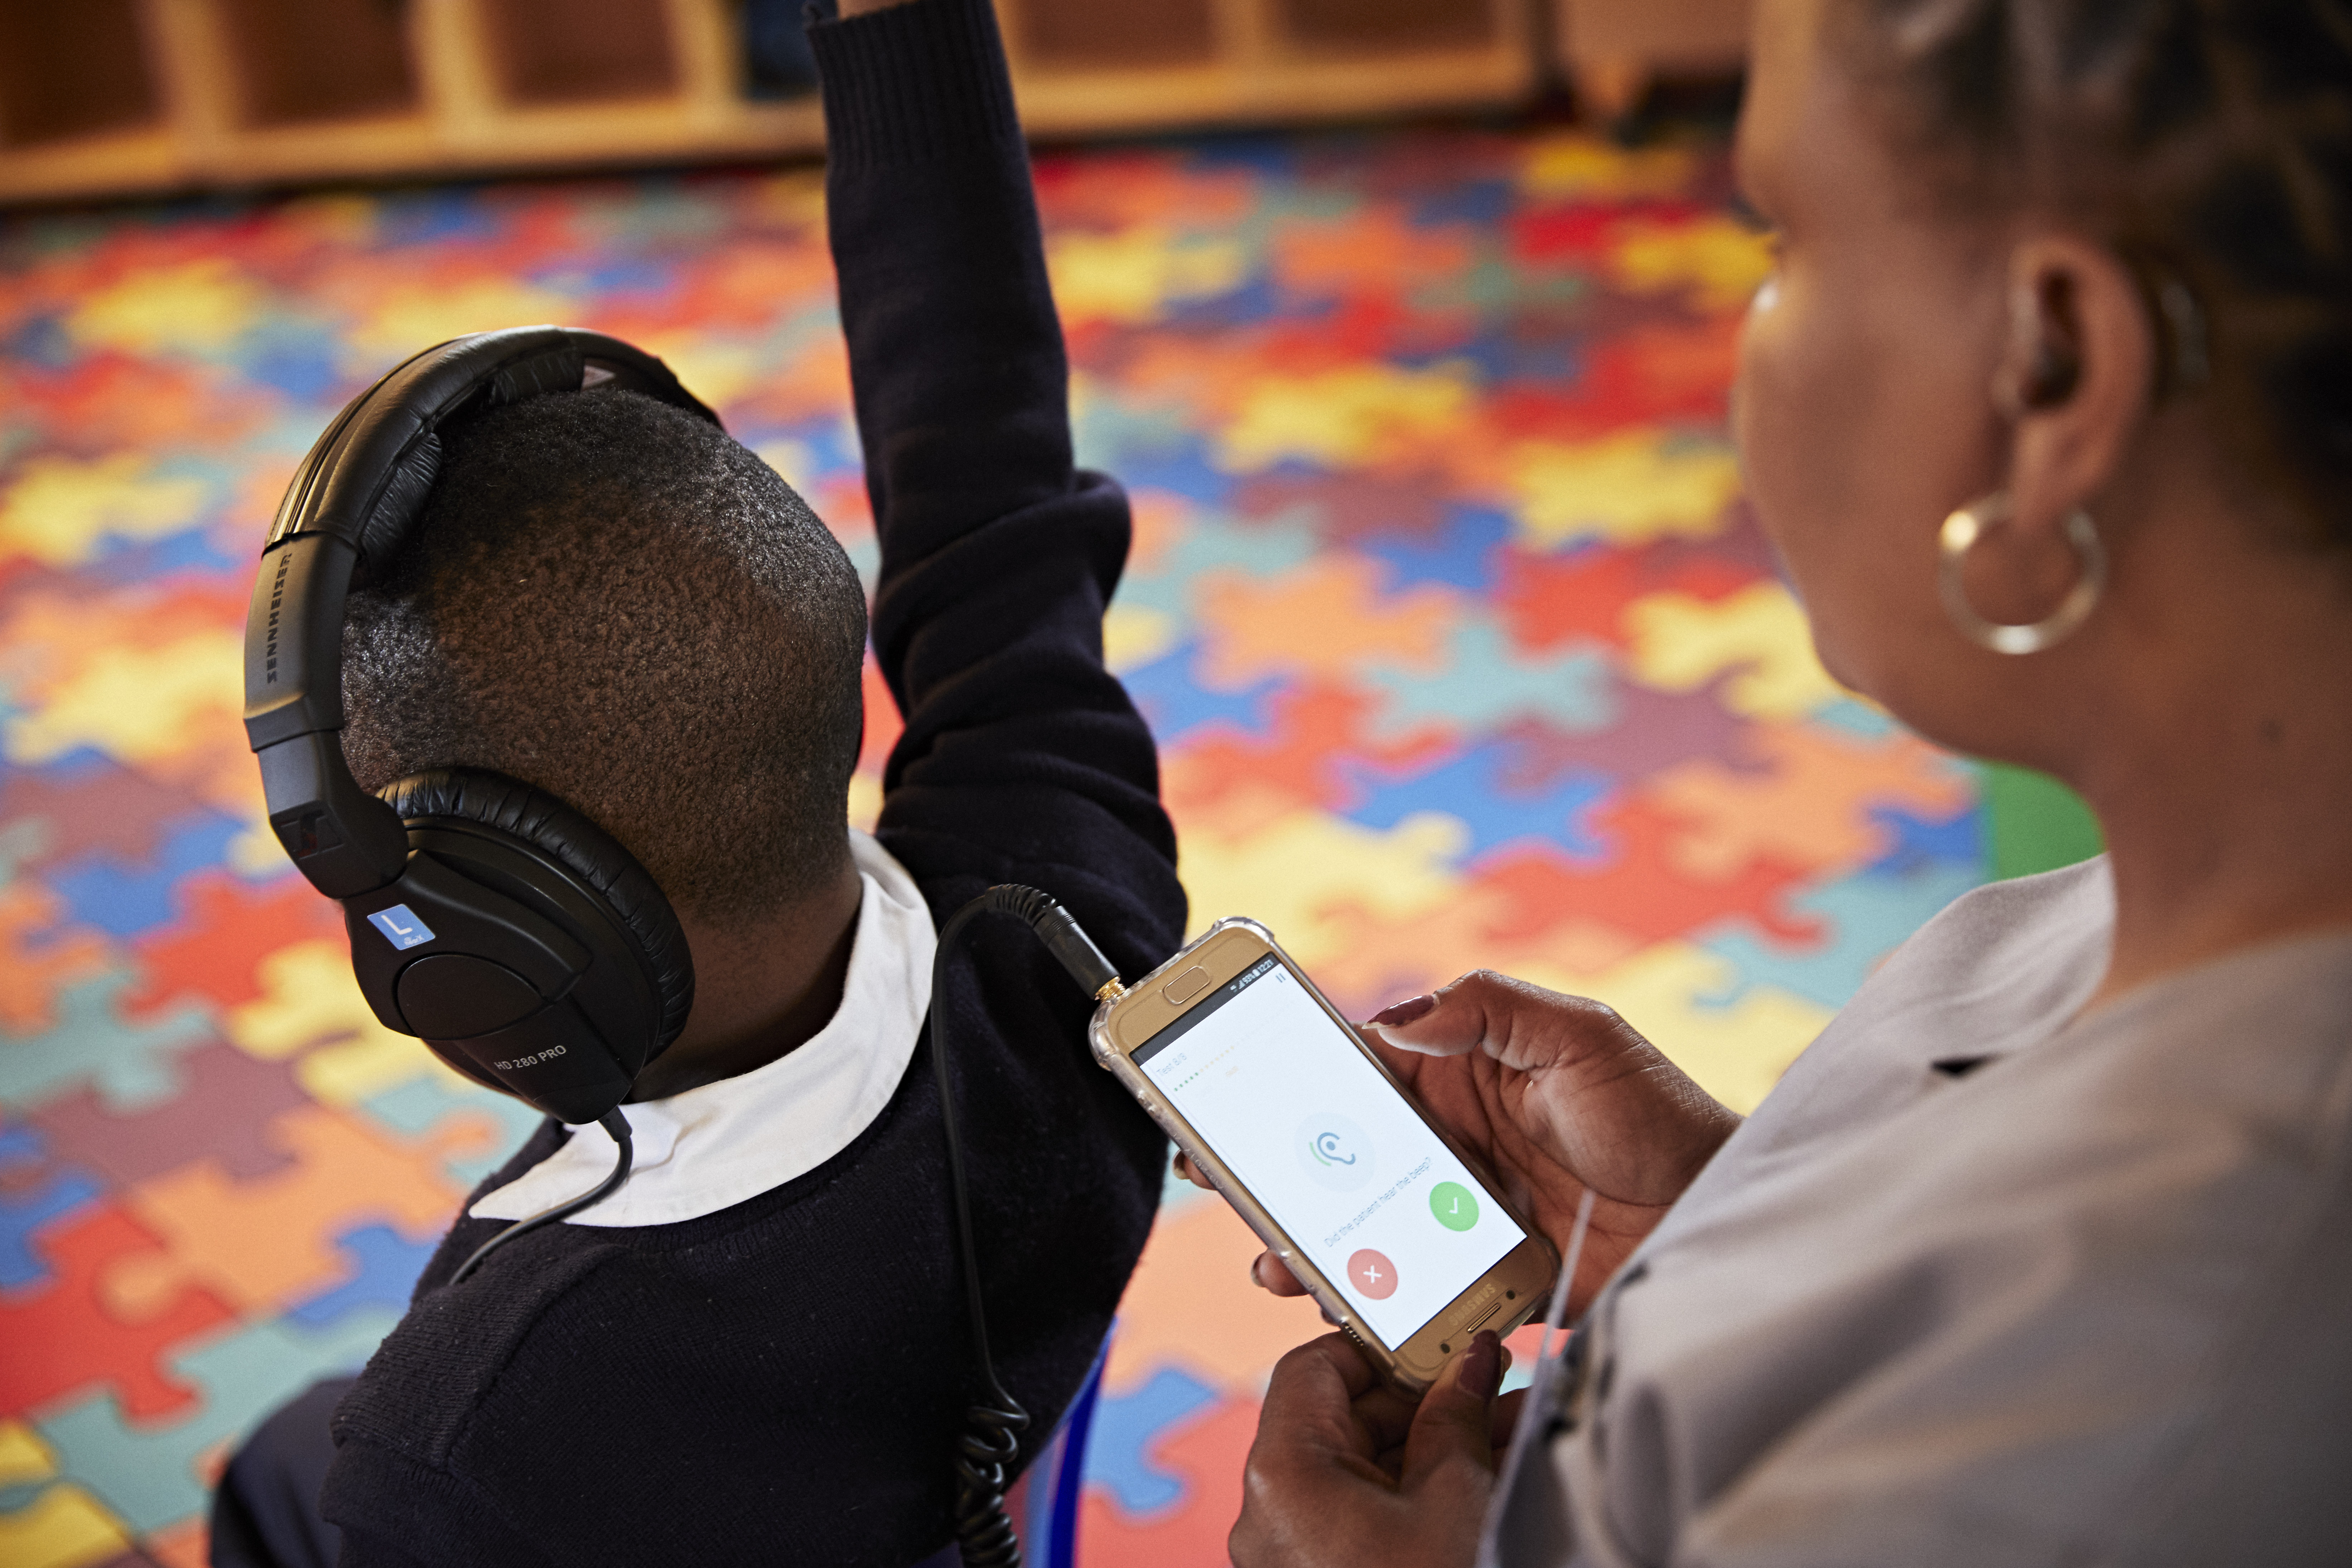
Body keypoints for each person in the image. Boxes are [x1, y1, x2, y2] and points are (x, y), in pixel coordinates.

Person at [1213, 0, 2352, 1563]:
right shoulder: (2193, 909)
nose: (1740, 335)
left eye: (1779, 237)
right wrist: (1723, 1229)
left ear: (2051, 366)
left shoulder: (2128, 1404)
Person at [209, 1, 1183, 1563]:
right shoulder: (1067, 884)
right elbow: (984, 463)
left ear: (503, 939)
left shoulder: (465, 1433)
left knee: (273, 1476)